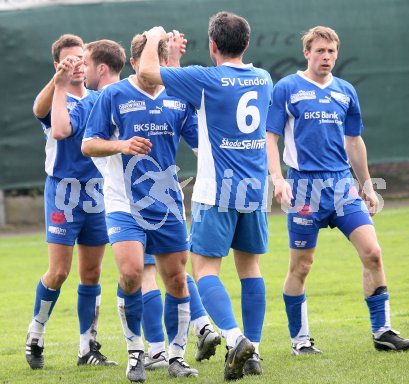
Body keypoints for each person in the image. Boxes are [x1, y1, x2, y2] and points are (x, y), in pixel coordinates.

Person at [266, 26, 409, 355]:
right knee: (301, 266)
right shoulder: (288, 88)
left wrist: (367, 185)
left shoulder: (346, 90)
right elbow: (270, 137)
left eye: (332, 52)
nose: (327, 57)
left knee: (372, 253)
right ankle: (300, 340)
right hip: (305, 186)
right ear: (307, 53)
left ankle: (383, 331)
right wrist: (278, 178)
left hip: (341, 185)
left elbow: (354, 141)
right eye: (320, 51)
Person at [139, 11, 273, 381]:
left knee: (204, 270)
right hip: (255, 190)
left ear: (212, 45)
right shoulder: (263, 78)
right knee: (250, 270)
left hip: (217, 192)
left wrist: (154, 38)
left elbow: (147, 73)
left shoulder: (206, 79)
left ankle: (234, 338)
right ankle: (254, 352)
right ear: (246, 44)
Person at [81, 32, 201, 383]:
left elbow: (199, 144)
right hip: (123, 203)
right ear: (135, 63)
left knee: (177, 279)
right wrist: (121, 145)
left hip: (167, 204)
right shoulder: (114, 95)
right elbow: (89, 145)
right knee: (132, 272)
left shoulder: (178, 97)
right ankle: (136, 352)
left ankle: (176, 356)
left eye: (160, 63)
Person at [25, 34, 117, 370]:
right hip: (63, 193)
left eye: (81, 58)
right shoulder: (57, 96)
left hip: (96, 192)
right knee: (59, 271)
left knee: (91, 272)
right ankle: (36, 332)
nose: (77, 64)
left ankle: (87, 348)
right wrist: (58, 80)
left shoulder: (99, 97)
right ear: (58, 63)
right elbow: (39, 111)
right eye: (69, 60)